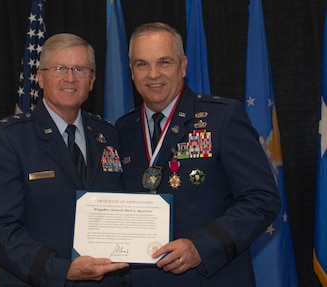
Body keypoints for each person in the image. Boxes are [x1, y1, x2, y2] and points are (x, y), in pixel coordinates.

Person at [115, 22, 281, 286]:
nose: (153, 74)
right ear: (131, 72)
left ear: (183, 66)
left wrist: (202, 247)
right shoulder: (122, 129)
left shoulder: (222, 117)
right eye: (142, 64)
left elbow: (263, 199)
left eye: (164, 62)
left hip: (210, 277)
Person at [0, 33, 128, 287]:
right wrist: (62, 270)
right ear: (40, 77)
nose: (70, 78)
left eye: (79, 69)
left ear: (91, 80)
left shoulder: (108, 135)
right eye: (59, 68)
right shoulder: (9, 137)